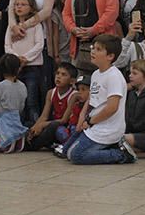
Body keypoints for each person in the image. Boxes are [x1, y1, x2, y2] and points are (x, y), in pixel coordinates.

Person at [57, 34, 135, 165]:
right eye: (93, 48)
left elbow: (112, 107)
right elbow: (92, 98)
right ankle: (108, 147)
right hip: (93, 123)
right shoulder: (96, 74)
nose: (92, 51)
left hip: (107, 128)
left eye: (98, 49)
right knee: (66, 151)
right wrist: (83, 115)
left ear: (110, 56)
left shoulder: (114, 76)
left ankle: (120, 154)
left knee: (76, 155)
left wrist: (91, 121)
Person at [5, 0, 45, 125]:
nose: (19, 7)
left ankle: (35, 127)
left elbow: (39, 45)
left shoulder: (36, 25)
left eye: (23, 4)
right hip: (15, 69)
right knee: (17, 101)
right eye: (17, 4)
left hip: (32, 67)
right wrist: (17, 60)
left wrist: (26, 58)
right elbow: (7, 45)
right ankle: (18, 128)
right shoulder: (12, 25)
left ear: (31, 8)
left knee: (31, 100)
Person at [26, 62, 78, 150]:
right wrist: (35, 127)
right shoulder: (51, 92)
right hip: (52, 124)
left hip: (65, 127)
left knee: (56, 128)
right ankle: (34, 141)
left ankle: (31, 146)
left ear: (72, 81)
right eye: (57, 73)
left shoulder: (73, 95)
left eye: (63, 74)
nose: (58, 77)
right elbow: (44, 116)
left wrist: (42, 125)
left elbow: (64, 120)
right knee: (29, 125)